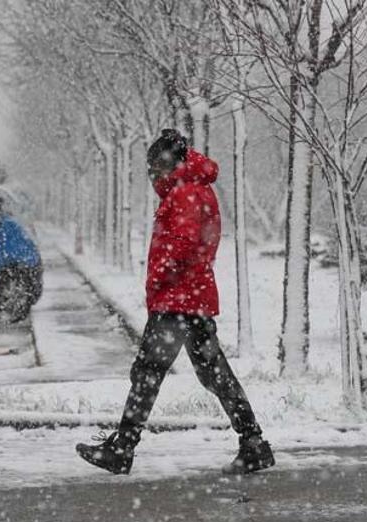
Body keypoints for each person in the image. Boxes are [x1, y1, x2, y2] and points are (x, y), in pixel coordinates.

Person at [76, 129, 275, 476]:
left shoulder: (185, 192)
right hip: (190, 297)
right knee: (213, 374)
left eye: (157, 166)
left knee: (148, 374)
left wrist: (157, 279)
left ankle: (122, 449)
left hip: (178, 301)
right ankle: (253, 442)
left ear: (172, 162)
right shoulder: (193, 188)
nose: (154, 175)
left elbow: (181, 245)